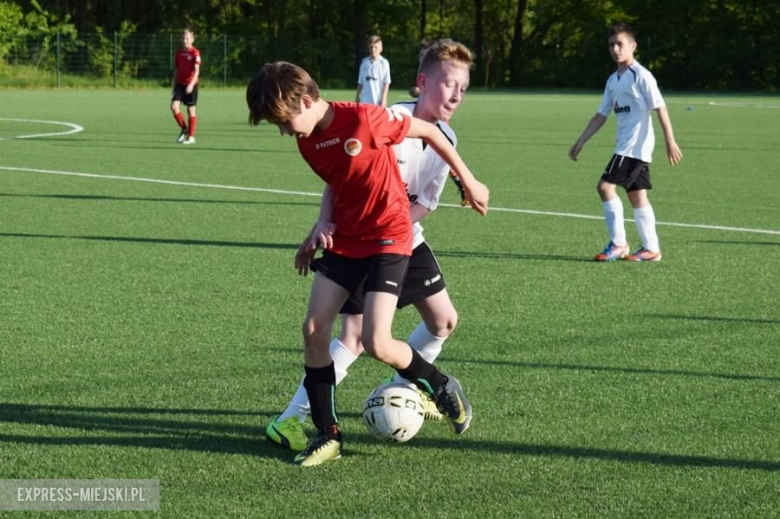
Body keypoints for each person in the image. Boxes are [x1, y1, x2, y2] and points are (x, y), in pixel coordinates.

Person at [247, 61, 489, 466]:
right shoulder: (307, 140)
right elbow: (340, 181)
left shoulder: (364, 119)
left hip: (389, 237)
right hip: (346, 241)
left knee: (377, 342)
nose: (285, 131)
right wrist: (320, 225)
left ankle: (442, 386)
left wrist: (469, 179)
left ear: (307, 101)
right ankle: (328, 435)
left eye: (285, 121)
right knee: (313, 329)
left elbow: (429, 131)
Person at [569, 23, 682, 262]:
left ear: (633, 46)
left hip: (632, 147)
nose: (615, 48)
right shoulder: (613, 80)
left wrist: (670, 141)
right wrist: (581, 141)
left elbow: (660, 107)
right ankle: (652, 249)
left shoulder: (640, 76)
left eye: (620, 43)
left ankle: (619, 244)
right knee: (637, 196)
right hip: (629, 146)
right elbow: (601, 114)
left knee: (605, 187)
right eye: (611, 44)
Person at [409, 39, 470, 208]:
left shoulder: (447, 136)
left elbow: (427, 203)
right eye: (449, 85)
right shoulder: (395, 117)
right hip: (369, 227)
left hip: (404, 225)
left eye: (463, 89)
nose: (457, 97)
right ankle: (463, 185)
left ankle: (462, 185)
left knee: (441, 154)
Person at [171, 28, 200, 145]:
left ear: (192, 39)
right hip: (179, 84)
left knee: (190, 109)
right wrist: (174, 85)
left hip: (191, 85)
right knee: (174, 107)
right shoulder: (179, 53)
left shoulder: (195, 53)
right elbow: (177, 70)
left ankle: (191, 137)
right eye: (183, 38)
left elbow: (197, 71)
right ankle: (184, 129)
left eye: (187, 38)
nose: (185, 40)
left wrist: (191, 84)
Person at [356, 35, 391, 107]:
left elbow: (386, 82)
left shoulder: (384, 63)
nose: (373, 49)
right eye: (371, 47)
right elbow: (360, 81)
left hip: (378, 99)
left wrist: (384, 98)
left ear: (381, 49)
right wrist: (357, 95)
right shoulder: (364, 63)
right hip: (365, 100)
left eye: (375, 47)